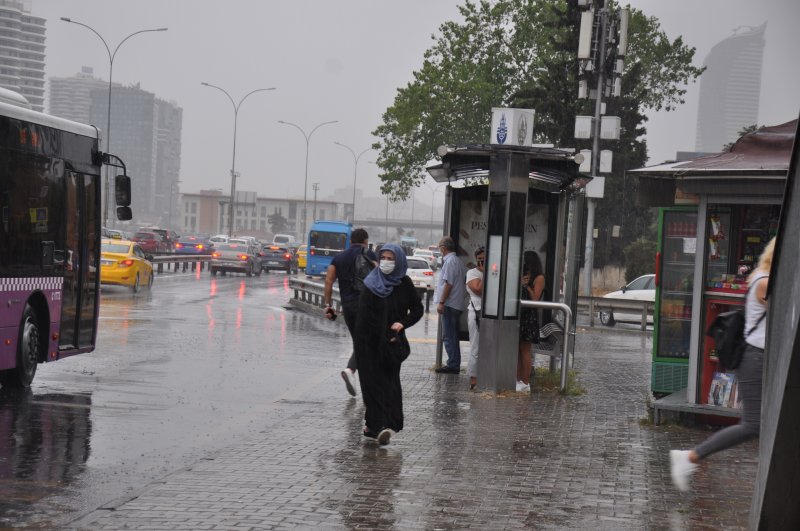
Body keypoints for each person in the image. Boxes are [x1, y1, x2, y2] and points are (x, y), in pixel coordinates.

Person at [670, 236, 775, 492]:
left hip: (761, 357)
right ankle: (690, 457)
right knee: (753, 424)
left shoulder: (761, 275)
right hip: (755, 358)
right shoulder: (765, 282)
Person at [354, 243, 423, 445]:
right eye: (383, 257)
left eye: (390, 258)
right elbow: (365, 318)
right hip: (368, 342)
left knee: (390, 384)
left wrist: (402, 324)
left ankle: (388, 424)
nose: (386, 262)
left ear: (399, 260)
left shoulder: (405, 283)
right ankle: (376, 427)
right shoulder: (371, 283)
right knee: (372, 385)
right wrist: (380, 335)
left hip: (392, 344)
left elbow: (417, 310)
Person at [323, 228, 377, 396]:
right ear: (365, 241)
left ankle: (360, 380)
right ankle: (351, 371)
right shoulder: (369, 255)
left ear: (350, 241)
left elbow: (328, 281)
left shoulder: (338, 258)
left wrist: (328, 305)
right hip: (366, 305)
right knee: (367, 343)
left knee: (360, 342)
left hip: (348, 307)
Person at [434, 236, 468, 374]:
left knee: (449, 335)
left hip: (450, 303)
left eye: (440, 247)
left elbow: (448, 284)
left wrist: (441, 302)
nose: (440, 250)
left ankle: (453, 364)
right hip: (457, 302)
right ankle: (454, 363)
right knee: (452, 334)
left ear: (444, 248)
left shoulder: (449, 262)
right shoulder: (458, 261)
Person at [517, 251, 545, 392]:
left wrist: (527, 286)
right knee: (517, 350)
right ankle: (517, 379)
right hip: (520, 315)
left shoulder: (539, 278)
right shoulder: (522, 275)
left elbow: (535, 299)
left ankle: (525, 381)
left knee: (525, 349)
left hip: (529, 316)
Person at [466, 247, 485, 390]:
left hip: (491, 314)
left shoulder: (495, 272)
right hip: (476, 313)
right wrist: (485, 273)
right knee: (476, 346)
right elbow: (478, 289)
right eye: (479, 259)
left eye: (484, 259)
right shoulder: (472, 273)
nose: (481, 262)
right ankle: (474, 377)